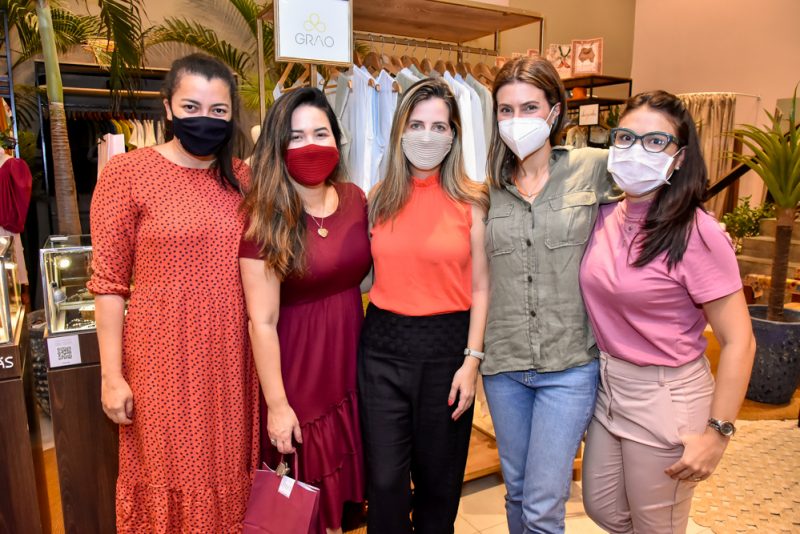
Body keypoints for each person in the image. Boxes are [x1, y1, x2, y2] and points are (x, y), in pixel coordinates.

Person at [89, 53, 259, 531]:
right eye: (191, 107)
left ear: (232, 115)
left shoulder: (244, 179)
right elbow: (108, 284)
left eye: (218, 110)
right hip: (160, 362)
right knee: (167, 471)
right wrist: (111, 375)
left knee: (226, 471)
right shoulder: (127, 173)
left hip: (230, 360)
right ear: (167, 108)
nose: (205, 119)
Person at [579, 90, 755, 533]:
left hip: (666, 394)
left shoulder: (697, 233)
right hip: (609, 386)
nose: (636, 150)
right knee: (603, 508)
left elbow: (739, 340)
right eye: (626, 137)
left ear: (679, 159)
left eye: (656, 141)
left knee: (656, 524)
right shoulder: (602, 215)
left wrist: (717, 434)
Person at [481, 56, 619, 534]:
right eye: (506, 110)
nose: (516, 120)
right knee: (518, 492)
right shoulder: (487, 191)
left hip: (569, 365)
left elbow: (656, 196)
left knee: (543, 504)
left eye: (529, 107)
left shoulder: (593, 169)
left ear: (555, 111)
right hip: (504, 366)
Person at [358, 78, 490, 534]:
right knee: (384, 484)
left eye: (439, 126)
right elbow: (361, 274)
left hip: (447, 353)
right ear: (400, 131)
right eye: (416, 125)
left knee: (439, 486)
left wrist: (472, 362)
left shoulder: (472, 201)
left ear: (454, 135)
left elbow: (482, 287)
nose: (427, 136)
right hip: (382, 349)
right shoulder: (377, 199)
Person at [239, 87, 369, 534]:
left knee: (344, 504)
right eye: (295, 137)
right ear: (277, 145)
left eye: (320, 133)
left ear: (336, 139)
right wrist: (277, 405)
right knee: (305, 506)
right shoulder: (265, 217)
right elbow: (261, 322)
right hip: (299, 378)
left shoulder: (355, 199)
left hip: (350, 368)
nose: (310, 145)